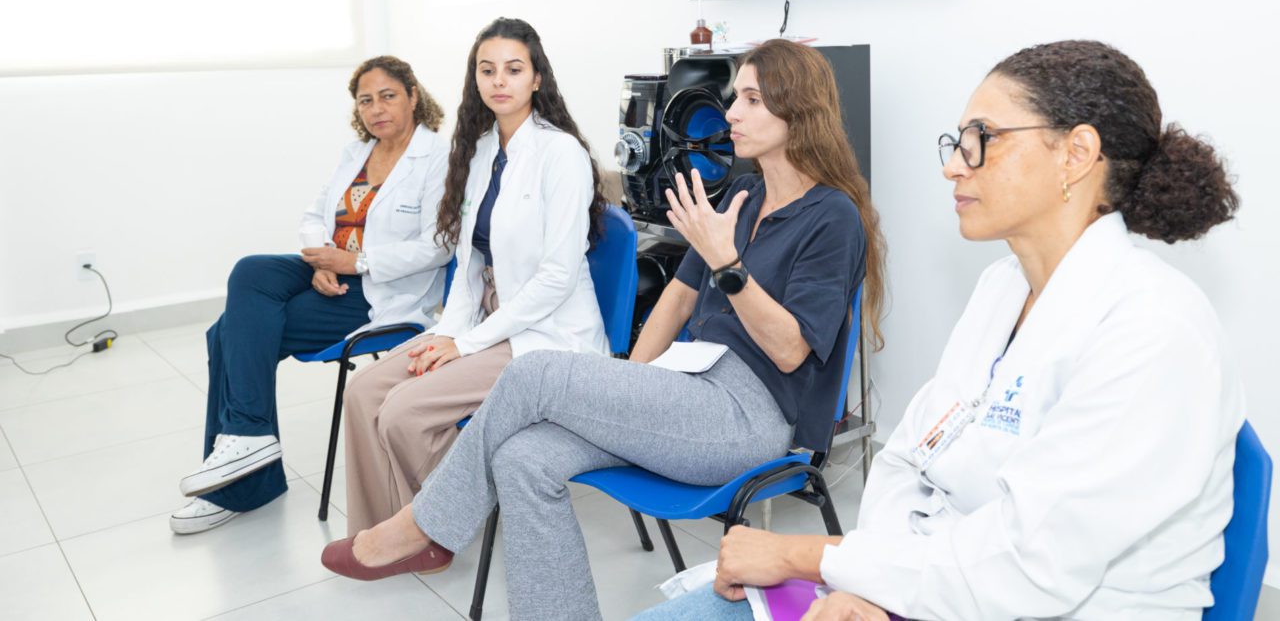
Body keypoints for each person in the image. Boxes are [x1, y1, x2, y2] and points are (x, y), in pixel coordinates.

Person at [636, 40, 1244, 621]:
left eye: (982, 139)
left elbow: (1029, 563)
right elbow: (908, 460)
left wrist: (808, 557)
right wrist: (868, 583)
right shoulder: (1002, 289)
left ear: (1076, 154)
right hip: (933, 584)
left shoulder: (1155, 330)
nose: (954, 165)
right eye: (957, 142)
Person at [318, 39, 888, 621]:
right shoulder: (744, 193)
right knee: (522, 458)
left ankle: (422, 525)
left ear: (799, 113)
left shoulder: (832, 216)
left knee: (533, 372)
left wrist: (729, 266)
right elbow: (676, 297)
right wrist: (624, 388)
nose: (732, 113)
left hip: (749, 418)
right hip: (685, 389)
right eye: (734, 97)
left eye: (751, 99)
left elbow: (791, 351)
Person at [340, 17, 611, 536]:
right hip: (484, 324)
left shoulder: (561, 154)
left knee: (403, 413)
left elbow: (556, 279)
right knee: (365, 392)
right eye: (487, 70)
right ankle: (380, 532)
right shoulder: (483, 149)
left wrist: (466, 346)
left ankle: (433, 532)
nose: (499, 81)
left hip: (545, 337)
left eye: (513, 69)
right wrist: (448, 333)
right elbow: (469, 263)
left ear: (537, 78)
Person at [170, 56, 453, 535]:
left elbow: (438, 245)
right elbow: (314, 213)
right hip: (330, 270)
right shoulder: (356, 153)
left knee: (226, 334)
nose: (376, 108)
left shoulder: (438, 159)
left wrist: (356, 262)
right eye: (366, 100)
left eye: (388, 96)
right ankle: (248, 441)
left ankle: (241, 477)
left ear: (412, 95)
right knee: (251, 272)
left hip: (377, 291)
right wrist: (323, 256)